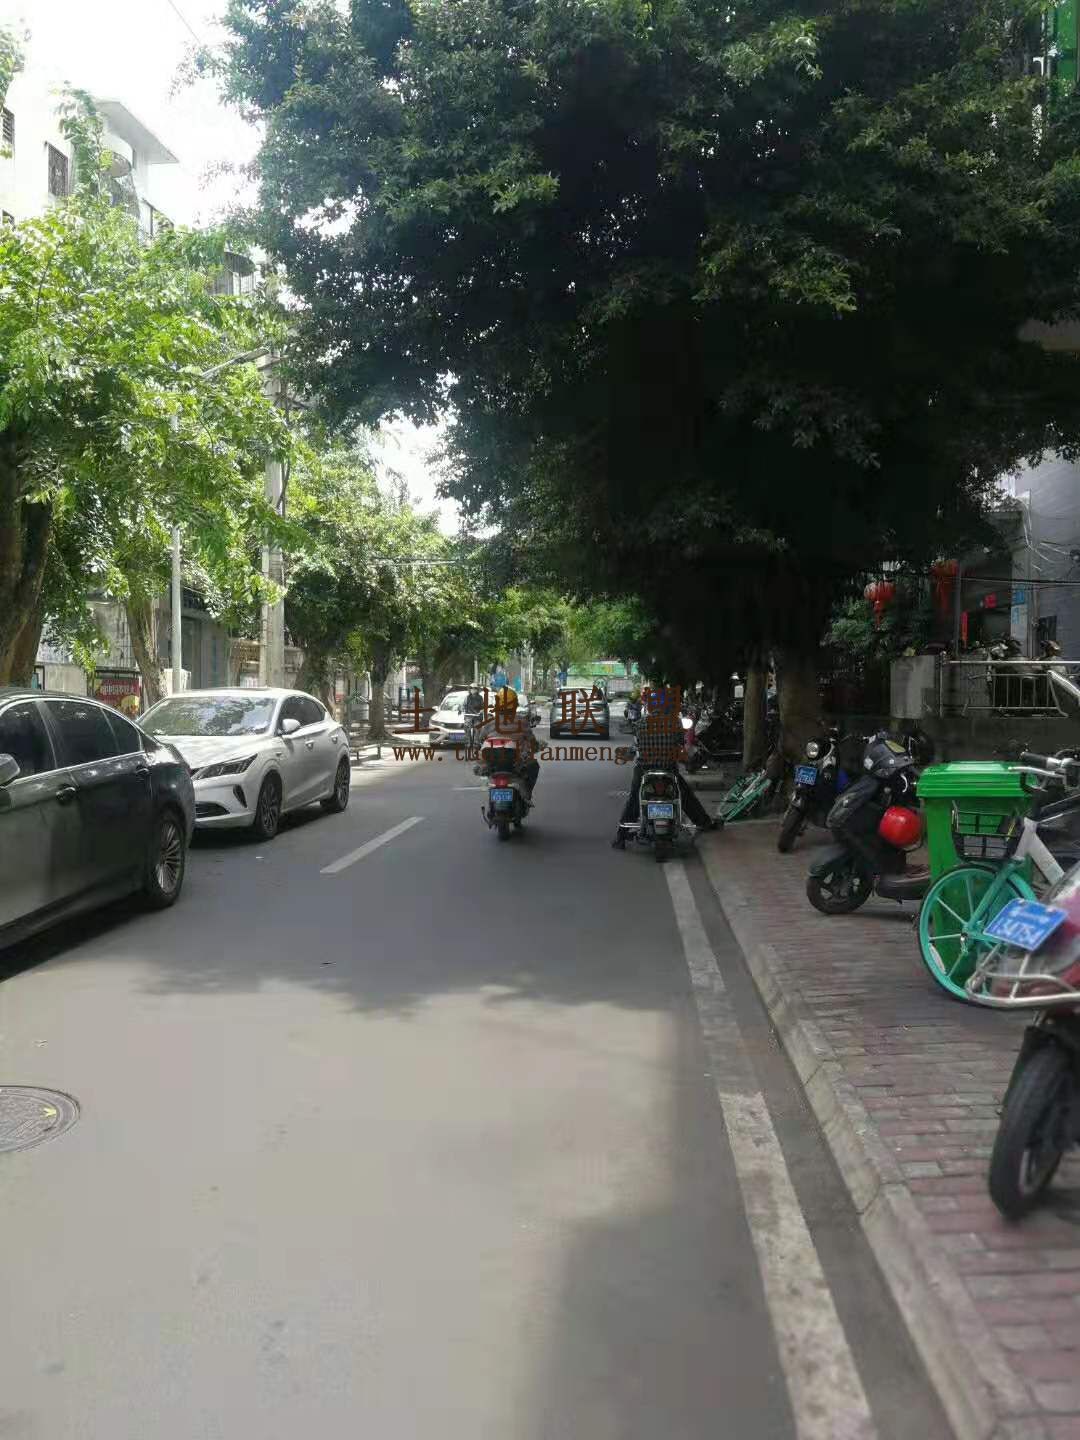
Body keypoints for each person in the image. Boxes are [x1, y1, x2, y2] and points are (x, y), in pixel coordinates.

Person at [612, 686, 716, 848]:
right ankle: (704, 822)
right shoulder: (674, 723)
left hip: (645, 770)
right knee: (685, 795)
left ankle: (621, 836)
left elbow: (635, 747)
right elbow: (681, 745)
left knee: (634, 799)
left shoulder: (640, 724)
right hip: (668, 769)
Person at [475, 686, 540, 797]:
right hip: (514, 763)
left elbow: (479, 740)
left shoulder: (490, 723)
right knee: (534, 766)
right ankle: (527, 794)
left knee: (480, 767)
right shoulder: (522, 722)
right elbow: (532, 741)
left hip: (493, 763)